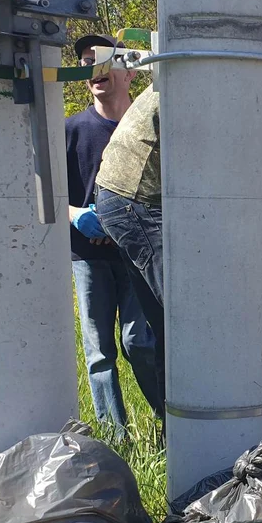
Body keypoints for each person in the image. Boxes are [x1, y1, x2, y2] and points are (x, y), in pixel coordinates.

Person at [65, 35, 163, 437]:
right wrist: (78, 216)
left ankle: (168, 419)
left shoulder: (147, 123)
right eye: (88, 63)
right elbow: (50, 193)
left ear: (129, 73)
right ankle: (114, 437)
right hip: (89, 255)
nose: (96, 70)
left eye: (104, 60)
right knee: (99, 352)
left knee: (140, 341)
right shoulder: (71, 129)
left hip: (134, 254)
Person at [93, 83, 164, 386]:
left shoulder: (183, 58)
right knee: (187, 319)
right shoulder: (206, 62)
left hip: (120, 196)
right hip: (136, 198)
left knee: (167, 326)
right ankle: (197, 421)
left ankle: (174, 426)